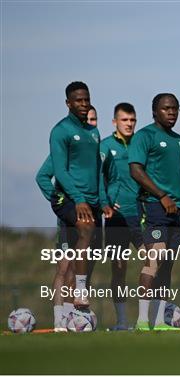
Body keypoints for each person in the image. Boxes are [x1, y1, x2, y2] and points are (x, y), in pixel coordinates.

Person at [129, 93, 180, 331]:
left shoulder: (178, 140)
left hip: (176, 210)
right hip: (153, 206)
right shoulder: (144, 136)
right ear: (154, 111)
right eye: (166, 108)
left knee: (167, 264)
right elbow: (136, 171)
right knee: (154, 260)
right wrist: (161, 195)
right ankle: (141, 321)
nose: (171, 112)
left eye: (175, 109)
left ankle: (160, 323)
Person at [37, 105, 98, 330]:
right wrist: (58, 199)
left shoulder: (94, 146)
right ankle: (59, 320)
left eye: (94, 120)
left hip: (91, 211)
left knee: (82, 265)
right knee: (64, 267)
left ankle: (73, 316)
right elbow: (42, 176)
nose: (90, 123)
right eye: (88, 118)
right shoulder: (65, 147)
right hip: (69, 213)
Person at [49, 82, 102, 310]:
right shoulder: (60, 131)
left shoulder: (93, 132)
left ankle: (69, 313)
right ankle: (79, 292)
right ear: (68, 103)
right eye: (78, 100)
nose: (83, 104)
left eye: (86, 99)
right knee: (86, 229)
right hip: (68, 198)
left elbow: (96, 169)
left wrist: (102, 201)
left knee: (86, 259)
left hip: (92, 201)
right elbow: (59, 171)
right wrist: (78, 198)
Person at [99, 102, 144, 330]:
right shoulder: (105, 146)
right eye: (124, 120)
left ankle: (147, 318)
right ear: (115, 121)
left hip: (141, 215)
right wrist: (104, 202)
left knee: (153, 262)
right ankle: (122, 321)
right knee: (118, 268)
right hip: (117, 217)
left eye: (132, 120)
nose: (129, 124)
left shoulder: (141, 143)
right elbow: (97, 176)